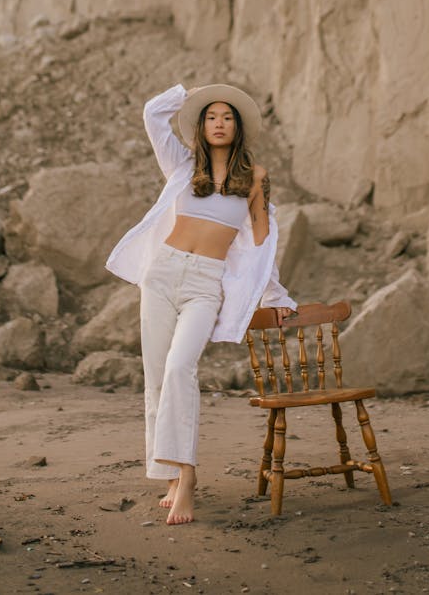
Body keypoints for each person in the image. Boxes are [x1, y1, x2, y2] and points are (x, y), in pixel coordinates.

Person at [105, 83, 298, 525]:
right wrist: (190, 93)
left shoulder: (255, 178)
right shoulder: (181, 165)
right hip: (162, 275)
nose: (219, 123)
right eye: (210, 116)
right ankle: (170, 474)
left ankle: (187, 478)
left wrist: (276, 295)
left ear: (239, 127)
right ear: (200, 125)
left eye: (227, 117)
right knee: (156, 377)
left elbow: (262, 244)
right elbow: (153, 114)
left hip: (205, 284)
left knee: (179, 369)